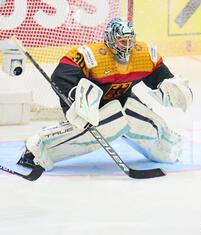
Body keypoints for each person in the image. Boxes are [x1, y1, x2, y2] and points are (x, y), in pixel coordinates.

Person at [17, 17, 192, 171]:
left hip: (121, 100)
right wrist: (77, 102)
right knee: (112, 122)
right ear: (109, 40)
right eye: (123, 41)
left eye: (131, 41)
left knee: (149, 126)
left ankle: (167, 147)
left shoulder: (143, 55)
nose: (128, 46)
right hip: (91, 105)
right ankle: (35, 148)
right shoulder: (92, 56)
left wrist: (169, 85)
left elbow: (159, 76)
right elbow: (61, 76)